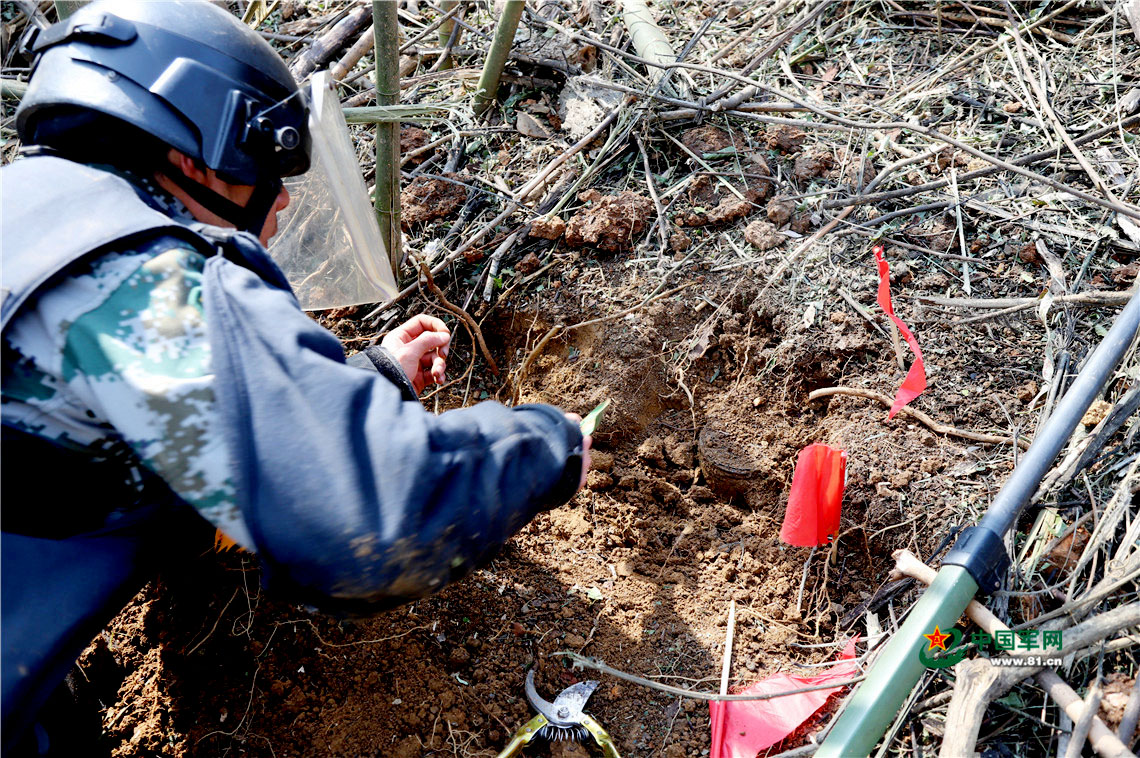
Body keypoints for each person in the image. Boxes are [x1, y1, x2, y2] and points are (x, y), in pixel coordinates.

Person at [0, 1, 590, 752]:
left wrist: (373, 376)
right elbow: (367, 518)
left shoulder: (36, 221)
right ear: (196, 155)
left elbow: (168, 426)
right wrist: (543, 446)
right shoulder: (139, 275)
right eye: (267, 168)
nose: (279, 197)